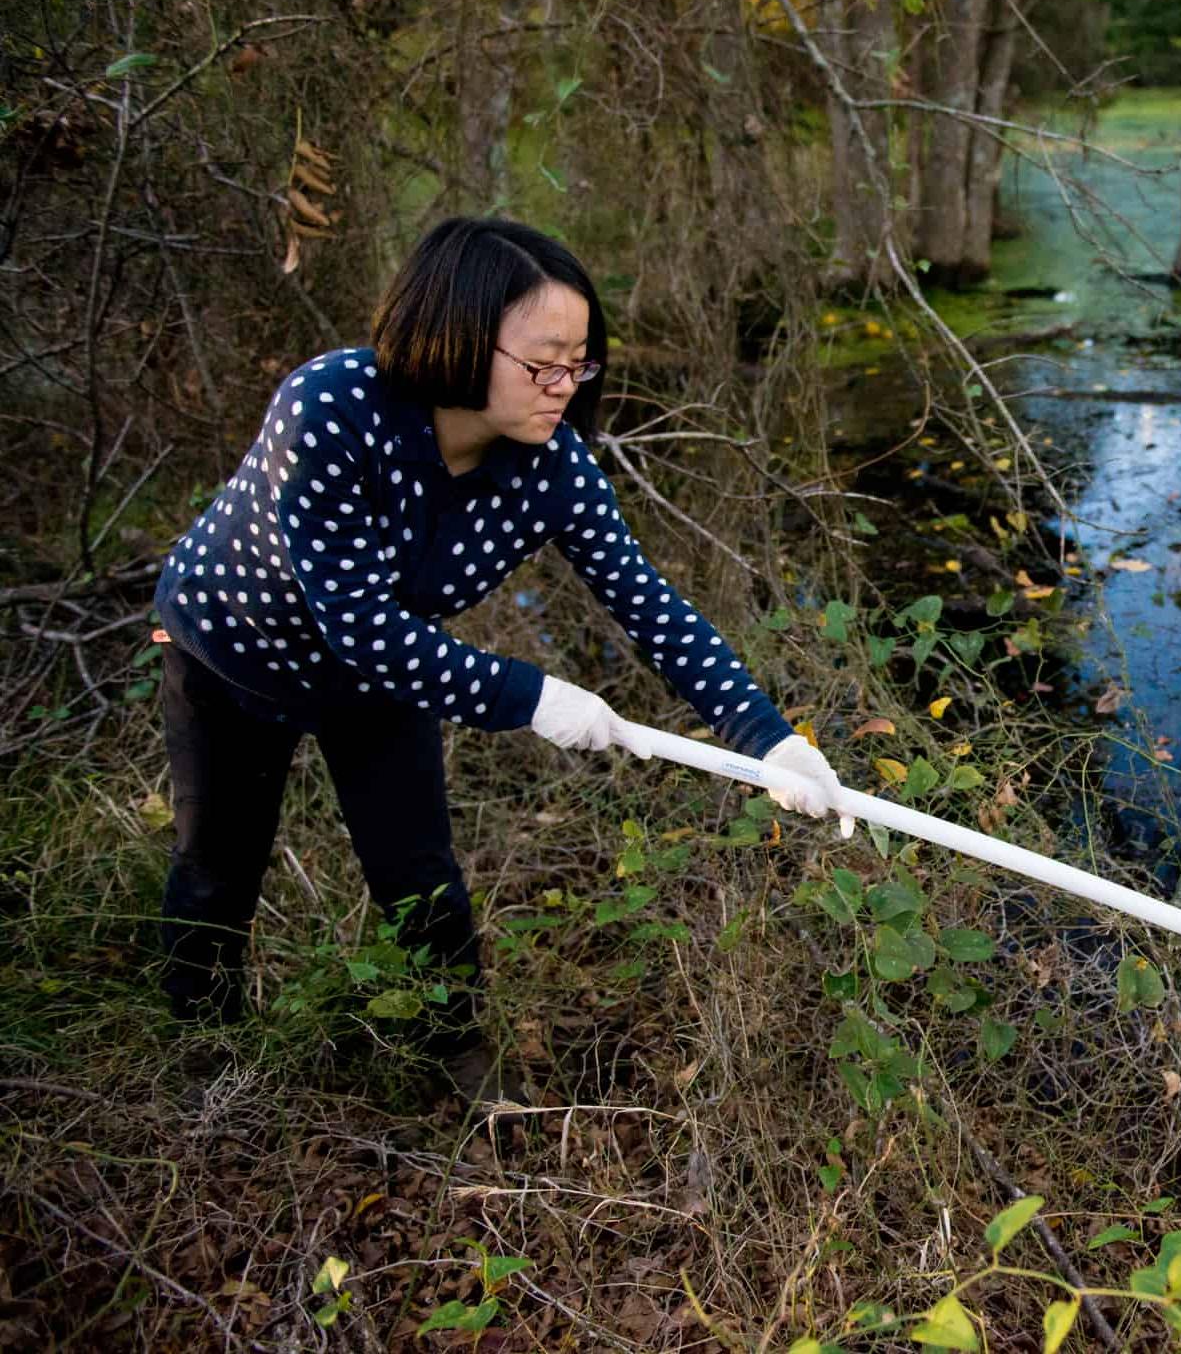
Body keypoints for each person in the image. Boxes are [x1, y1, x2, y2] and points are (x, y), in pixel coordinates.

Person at [152, 216, 850, 1098]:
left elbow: (646, 601)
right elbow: (359, 624)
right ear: (454, 337)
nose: (565, 386)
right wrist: (532, 696)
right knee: (218, 866)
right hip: (235, 655)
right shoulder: (329, 407)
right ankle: (201, 1049)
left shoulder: (549, 463)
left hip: (382, 678)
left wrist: (766, 739)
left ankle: (455, 1057)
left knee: (420, 876)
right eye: (542, 363)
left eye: (581, 362)